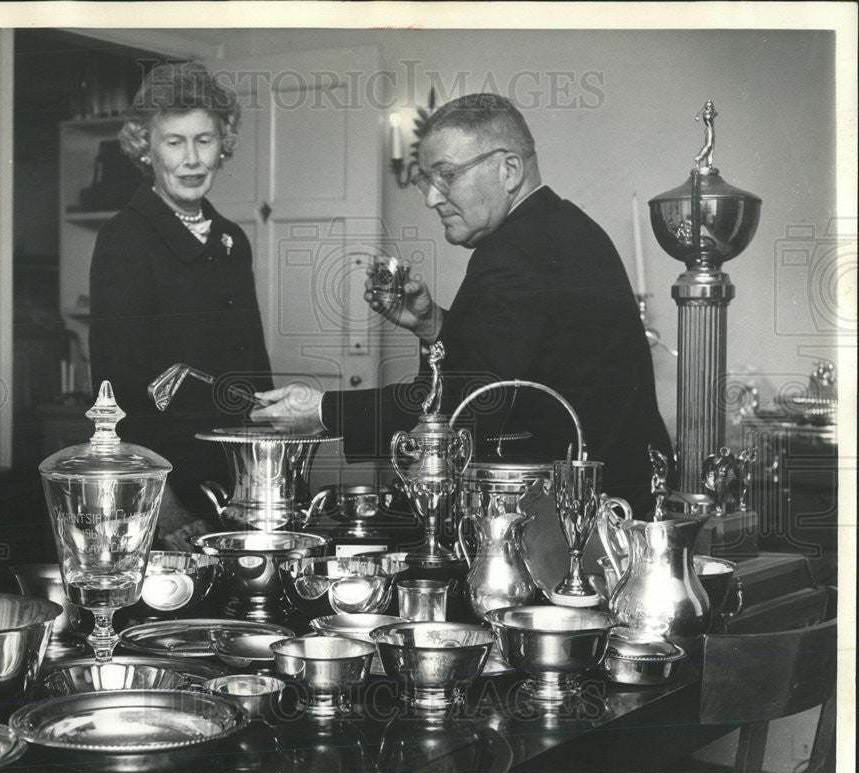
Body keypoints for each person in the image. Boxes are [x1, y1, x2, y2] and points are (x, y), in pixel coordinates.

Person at [253, 93, 671, 516]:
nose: (433, 198)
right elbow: (516, 363)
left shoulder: (513, 253)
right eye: (426, 181)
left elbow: (468, 405)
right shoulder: (562, 227)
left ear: (509, 170)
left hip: (576, 521)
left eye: (447, 175)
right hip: (621, 499)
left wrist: (324, 410)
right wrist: (431, 323)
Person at [89, 62, 272, 547]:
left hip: (239, 483)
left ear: (223, 144)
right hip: (169, 491)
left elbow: (255, 369)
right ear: (144, 148)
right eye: (174, 142)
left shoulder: (231, 238)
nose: (192, 160)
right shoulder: (125, 238)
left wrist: (268, 478)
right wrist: (164, 510)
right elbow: (116, 392)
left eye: (204, 140)